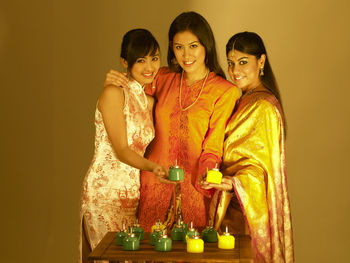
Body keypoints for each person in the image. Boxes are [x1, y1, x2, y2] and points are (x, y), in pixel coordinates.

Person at [104, 12, 240, 232]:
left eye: (193, 46)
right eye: (178, 47)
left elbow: (213, 146)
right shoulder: (162, 78)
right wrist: (114, 82)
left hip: (194, 188)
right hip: (153, 183)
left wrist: (206, 174)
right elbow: (129, 95)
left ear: (206, 46)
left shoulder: (224, 91)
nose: (186, 55)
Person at [202, 32, 294, 262]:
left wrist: (234, 183)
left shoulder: (264, 106)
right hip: (225, 202)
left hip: (245, 212)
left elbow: (263, 173)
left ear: (260, 61)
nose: (235, 71)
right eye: (231, 63)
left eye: (243, 62)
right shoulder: (240, 98)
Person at [78, 29, 167, 263]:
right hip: (104, 192)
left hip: (131, 195)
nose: (150, 66)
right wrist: (154, 168)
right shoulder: (113, 93)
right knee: (109, 258)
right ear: (125, 62)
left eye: (154, 58)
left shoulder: (148, 101)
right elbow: (121, 150)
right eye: (141, 60)